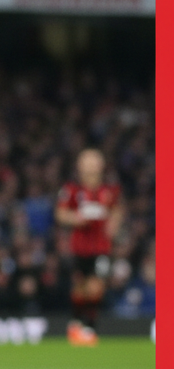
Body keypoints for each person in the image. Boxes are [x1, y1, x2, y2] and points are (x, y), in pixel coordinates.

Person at [55, 147, 124, 346]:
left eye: (95, 160)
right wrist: (76, 218)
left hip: (101, 246)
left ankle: (89, 327)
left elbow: (117, 210)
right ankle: (76, 325)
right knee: (80, 288)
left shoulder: (110, 190)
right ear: (80, 165)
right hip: (79, 246)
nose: (92, 164)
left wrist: (114, 224)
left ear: (101, 165)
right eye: (87, 160)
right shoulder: (72, 189)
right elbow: (60, 214)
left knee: (96, 286)